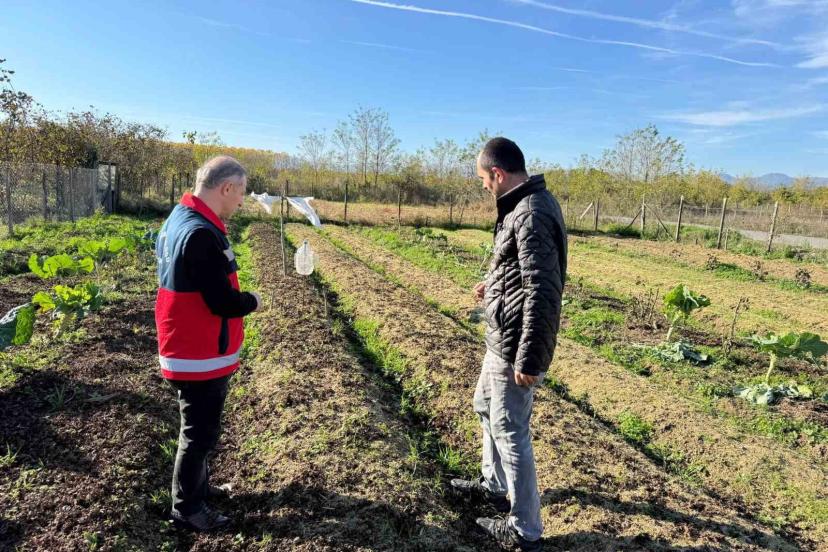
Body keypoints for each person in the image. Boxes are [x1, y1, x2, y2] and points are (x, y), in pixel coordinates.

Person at [451, 138, 567, 551]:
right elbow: (520, 269)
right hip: (501, 334)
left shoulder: (531, 213)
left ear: (498, 174)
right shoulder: (520, 207)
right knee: (485, 406)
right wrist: (495, 283)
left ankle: (524, 530)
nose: (483, 187)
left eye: (483, 179)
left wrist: (531, 357)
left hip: (516, 342)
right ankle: (493, 484)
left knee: (510, 429)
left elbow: (543, 290)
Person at [154, 155, 261, 532]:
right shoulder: (200, 233)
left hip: (184, 343)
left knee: (199, 430)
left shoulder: (177, 220)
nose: (242, 202)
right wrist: (253, 301)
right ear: (226, 188)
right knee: (199, 433)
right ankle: (188, 509)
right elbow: (221, 302)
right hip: (197, 352)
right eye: (241, 192)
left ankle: (198, 489)